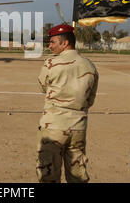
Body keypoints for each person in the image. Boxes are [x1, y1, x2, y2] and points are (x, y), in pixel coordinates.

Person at [36, 24, 98, 183]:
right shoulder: (90, 66)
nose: (49, 46)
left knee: (48, 175)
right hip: (78, 128)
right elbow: (90, 100)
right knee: (77, 176)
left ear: (65, 43)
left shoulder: (50, 63)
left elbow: (43, 87)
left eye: (52, 42)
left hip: (53, 127)